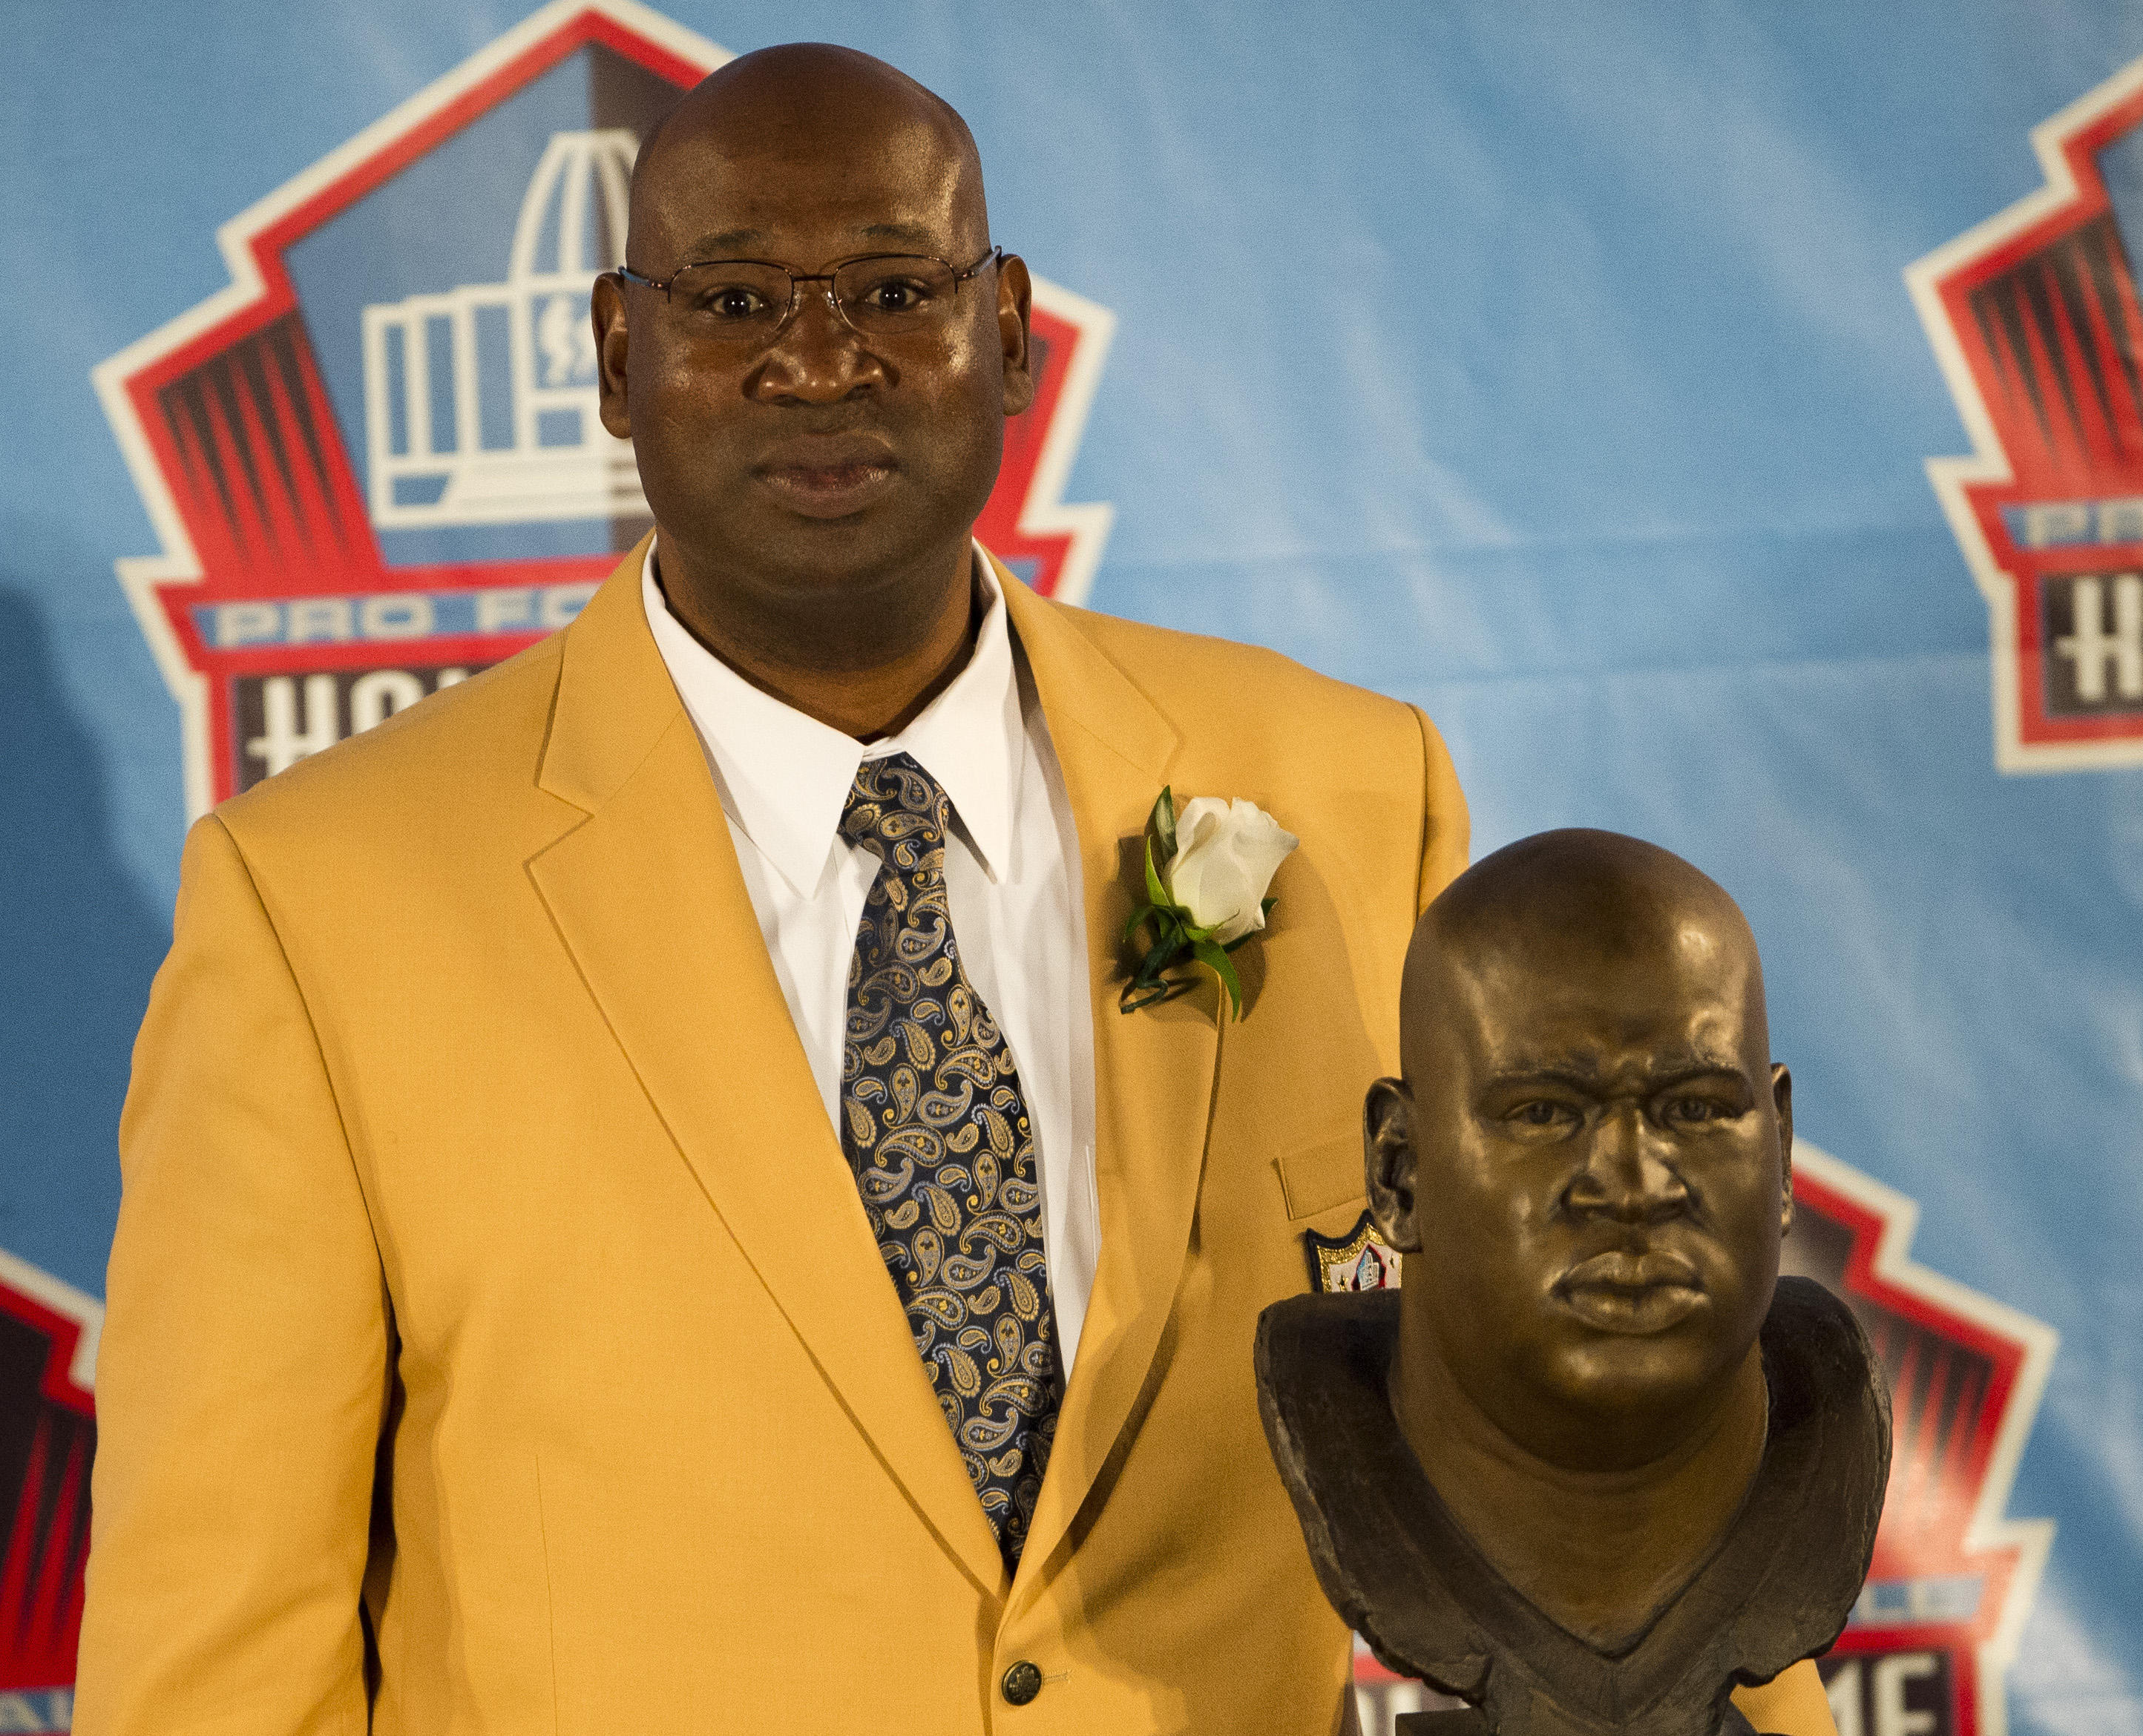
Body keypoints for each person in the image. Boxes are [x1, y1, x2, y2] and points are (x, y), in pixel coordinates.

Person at [79, 43, 1469, 1736]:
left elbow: (1583, 1431)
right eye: (734, 305)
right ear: (616, 352)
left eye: (895, 286)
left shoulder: (1345, 791)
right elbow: (212, 1670)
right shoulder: (320, 904)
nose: (822, 362)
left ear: (1013, 332)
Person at [1258, 832, 1864, 1736]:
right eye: (1543, 1113)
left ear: (1779, 1153)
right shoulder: (1319, 1431)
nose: (1630, 1181)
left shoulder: (1833, 1414)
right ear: (1400, 1174)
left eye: (1695, 1107)